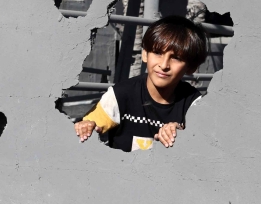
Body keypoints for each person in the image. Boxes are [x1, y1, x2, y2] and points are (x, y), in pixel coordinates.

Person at [74, 16, 207, 152]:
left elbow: (207, 146)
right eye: (157, 53)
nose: (164, 65)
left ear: (191, 67)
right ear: (145, 54)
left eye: (176, 58)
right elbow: (88, 124)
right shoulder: (121, 94)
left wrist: (183, 133)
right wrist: (85, 126)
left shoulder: (193, 103)